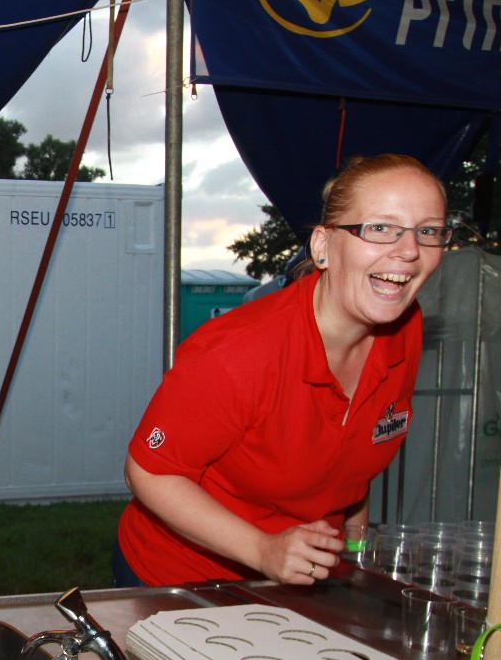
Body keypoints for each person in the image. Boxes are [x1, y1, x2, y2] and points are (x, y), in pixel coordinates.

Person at [116, 154, 450, 587]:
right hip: (183, 578)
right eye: (380, 228)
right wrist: (262, 549)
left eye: (428, 231)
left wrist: (356, 551)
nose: (409, 250)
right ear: (323, 246)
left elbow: (354, 449)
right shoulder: (240, 351)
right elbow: (150, 472)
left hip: (304, 579)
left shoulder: (405, 327)